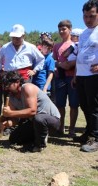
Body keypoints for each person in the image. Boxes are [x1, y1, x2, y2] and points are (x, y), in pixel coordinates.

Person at [0, 71, 60, 152]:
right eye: (5, 85)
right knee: (14, 139)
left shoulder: (28, 88)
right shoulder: (11, 97)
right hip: (34, 122)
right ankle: (37, 137)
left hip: (51, 120)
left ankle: (40, 144)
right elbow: (16, 118)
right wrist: (10, 123)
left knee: (39, 118)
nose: (6, 88)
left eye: (8, 85)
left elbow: (32, 111)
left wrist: (10, 113)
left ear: (17, 82)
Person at [74, 0, 98, 152]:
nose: (88, 19)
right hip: (82, 74)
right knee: (84, 105)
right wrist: (76, 75)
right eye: (85, 16)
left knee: (95, 107)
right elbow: (79, 55)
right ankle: (89, 132)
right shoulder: (83, 34)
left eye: (92, 16)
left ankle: (96, 138)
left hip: (94, 75)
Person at [53, 20, 79, 137]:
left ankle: (72, 129)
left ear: (70, 29)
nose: (61, 31)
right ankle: (61, 127)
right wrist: (59, 65)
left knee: (73, 104)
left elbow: (79, 60)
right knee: (60, 104)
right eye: (60, 29)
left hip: (73, 77)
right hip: (60, 78)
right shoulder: (57, 46)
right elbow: (54, 60)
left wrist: (69, 65)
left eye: (64, 29)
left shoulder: (76, 44)